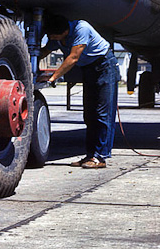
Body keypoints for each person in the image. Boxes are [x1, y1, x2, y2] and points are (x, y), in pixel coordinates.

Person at [41, 13, 118, 168]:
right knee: (89, 114)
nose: (53, 39)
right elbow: (44, 52)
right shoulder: (57, 37)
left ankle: (100, 157)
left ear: (64, 32)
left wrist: (52, 77)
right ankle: (90, 155)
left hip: (104, 67)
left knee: (102, 114)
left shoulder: (81, 28)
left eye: (54, 36)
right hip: (89, 69)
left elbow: (73, 58)